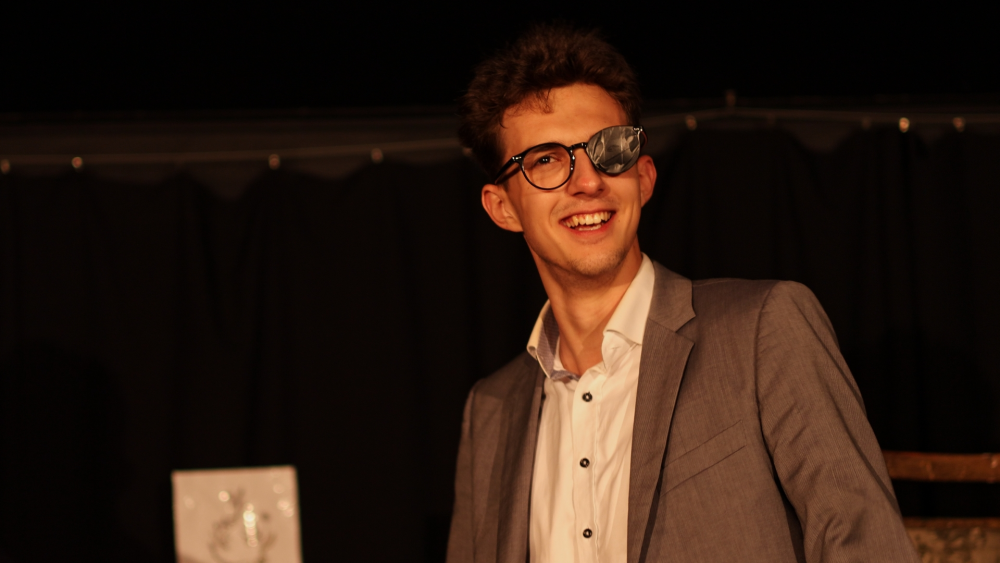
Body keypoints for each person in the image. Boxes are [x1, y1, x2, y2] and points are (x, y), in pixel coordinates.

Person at [447, 24, 919, 563]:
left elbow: (867, 546)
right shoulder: (490, 410)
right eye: (547, 160)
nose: (589, 181)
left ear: (644, 178)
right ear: (502, 207)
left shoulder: (762, 331)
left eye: (609, 149)